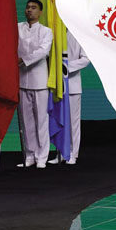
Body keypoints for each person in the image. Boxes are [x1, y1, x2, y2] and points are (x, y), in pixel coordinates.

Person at [17, 0, 53, 169]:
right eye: (28, 7)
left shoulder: (46, 31)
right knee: (27, 121)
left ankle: (42, 156)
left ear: (40, 12)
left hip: (39, 81)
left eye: (34, 7)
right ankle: (30, 155)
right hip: (22, 80)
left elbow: (43, 52)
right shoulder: (18, 27)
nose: (30, 10)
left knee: (41, 121)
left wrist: (23, 59)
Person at [49, 31, 90, 165]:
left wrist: (66, 67)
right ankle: (60, 152)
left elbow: (86, 59)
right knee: (59, 119)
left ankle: (72, 153)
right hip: (57, 86)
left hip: (72, 85)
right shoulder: (55, 32)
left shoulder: (78, 34)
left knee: (73, 122)